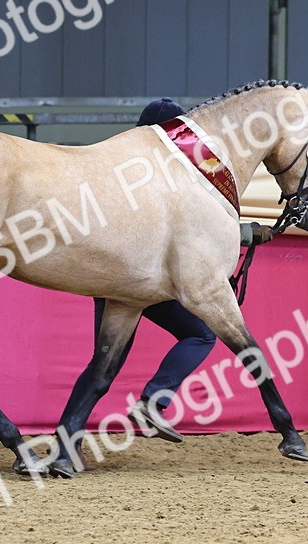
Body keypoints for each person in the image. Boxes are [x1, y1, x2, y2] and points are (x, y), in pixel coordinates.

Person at [77, 97, 274, 444]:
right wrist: (245, 233)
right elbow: (186, 230)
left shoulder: (124, 169)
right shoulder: (166, 175)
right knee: (199, 335)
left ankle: (80, 438)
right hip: (142, 281)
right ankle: (150, 403)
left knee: (105, 366)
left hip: (125, 280)